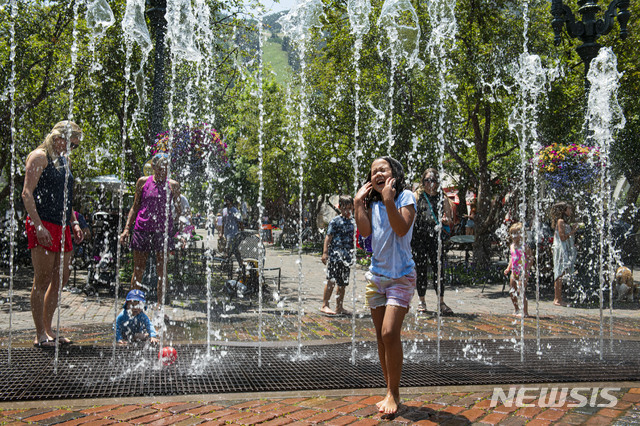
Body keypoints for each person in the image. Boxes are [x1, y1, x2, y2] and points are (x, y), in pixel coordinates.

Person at [354, 156, 416, 415]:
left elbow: (401, 229)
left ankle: (395, 391)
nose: (377, 174)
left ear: (395, 174)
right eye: (373, 172)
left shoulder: (406, 198)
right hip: (376, 277)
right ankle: (390, 390)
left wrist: (390, 200)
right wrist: (359, 204)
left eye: (383, 169)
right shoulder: (372, 202)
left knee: (390, 333)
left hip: (401, 276)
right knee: (381, 337)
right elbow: (365, 232)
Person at [21, 121, 84, 348]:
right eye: (70, 144)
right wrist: (38, 226)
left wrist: (74, 222)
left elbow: (67, 197)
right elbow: (27, 193)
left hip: (63, 225)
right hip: (43, 222)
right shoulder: (39, 157)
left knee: (61, 278)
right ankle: (39, 335)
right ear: (58, 137)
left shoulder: (64, 160)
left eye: (74, 147)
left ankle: (49, 329)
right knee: (43, 279)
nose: (71, 150)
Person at [119, 152, 181, 307]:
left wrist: (179, 230)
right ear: (153, 167)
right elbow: (135, 207)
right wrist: (127, 229)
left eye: (165, 168)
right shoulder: (142, 182)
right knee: (138, 269)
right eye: (159, 167)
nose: (162, 171)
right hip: (142, 229)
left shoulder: (173, 185)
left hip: (162, 232)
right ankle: (133, 304)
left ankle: (160, 305)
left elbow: (180, 211)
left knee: (162, 272)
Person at [411, 168, 454, 316]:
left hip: (436, 239)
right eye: (427, 180)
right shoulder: (417, 195)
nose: (430, 183)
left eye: (433, 180)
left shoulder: (442, 197)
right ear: (423, 181)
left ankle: (441, 302)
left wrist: (445, 220)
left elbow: (449, 218)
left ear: (437, 182)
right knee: (421, 269)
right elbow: (410, 215)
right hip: (419, 238)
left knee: (439, 270)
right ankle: (422, 301)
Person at [320, 195, 355, 316]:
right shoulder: (335, 221)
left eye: (350, 208)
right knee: (331, 281)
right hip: (335, 256)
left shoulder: (353, 222)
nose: (347, 211)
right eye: (345, 208)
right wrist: (325, 253)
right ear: (339, 207)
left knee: (343, 283)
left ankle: (339, 307)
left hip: (346, 258)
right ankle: (325, 305)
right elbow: (328, 237)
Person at [550, 201, 577, 306]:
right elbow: (562, 237)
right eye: (568, 209)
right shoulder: (560, 221)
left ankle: (559, 297)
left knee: (561, 273)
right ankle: (557, 299)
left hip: (563, 249)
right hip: (560, 250)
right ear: (564, 211)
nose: (570, 211)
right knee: (559, 273)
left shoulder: (563, 221)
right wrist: (573, 231)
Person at [503, 222, 530, 317]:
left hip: (523, 272)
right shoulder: (512, 246)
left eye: (516, 233)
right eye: (512, 233)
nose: (514, 236)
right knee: (512, 291)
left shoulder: (524, 246)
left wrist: (526, 270)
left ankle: (525, 312)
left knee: (521, 291)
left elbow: (531, 259)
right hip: (514, 272)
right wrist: (508, 268)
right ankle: (516, 309)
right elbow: (512, 258)